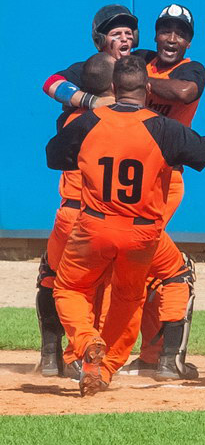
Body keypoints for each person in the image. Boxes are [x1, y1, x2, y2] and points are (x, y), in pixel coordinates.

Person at [46, 55, 205, 397]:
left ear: (112, 87)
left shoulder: (88, 122)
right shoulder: (163, 128)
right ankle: (105, 368)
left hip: (93, 225)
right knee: (128, 298)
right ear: (148, 88)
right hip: (142, 233)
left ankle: (87, 340)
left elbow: (54, 157)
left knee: (69, 289)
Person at [120, 3, 205, 381]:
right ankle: (150, 355)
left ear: (189, 40)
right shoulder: (140, 58)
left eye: (181, 33)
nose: (173, 38)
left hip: (165, 180)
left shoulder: (192, 69)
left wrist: (134, 82)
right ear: (154, 35)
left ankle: (153, 355)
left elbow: (184, 92)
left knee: (137, 259)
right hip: (128, 178)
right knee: (133, 263)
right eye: (166, 30)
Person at [37, 52, 116, 378]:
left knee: (51, 278)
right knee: (97, 287)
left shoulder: (71, 119)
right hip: (102, 217)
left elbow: (52, 154)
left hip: (68, 214)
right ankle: (80, 358)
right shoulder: (129, 119)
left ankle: (51, 358)